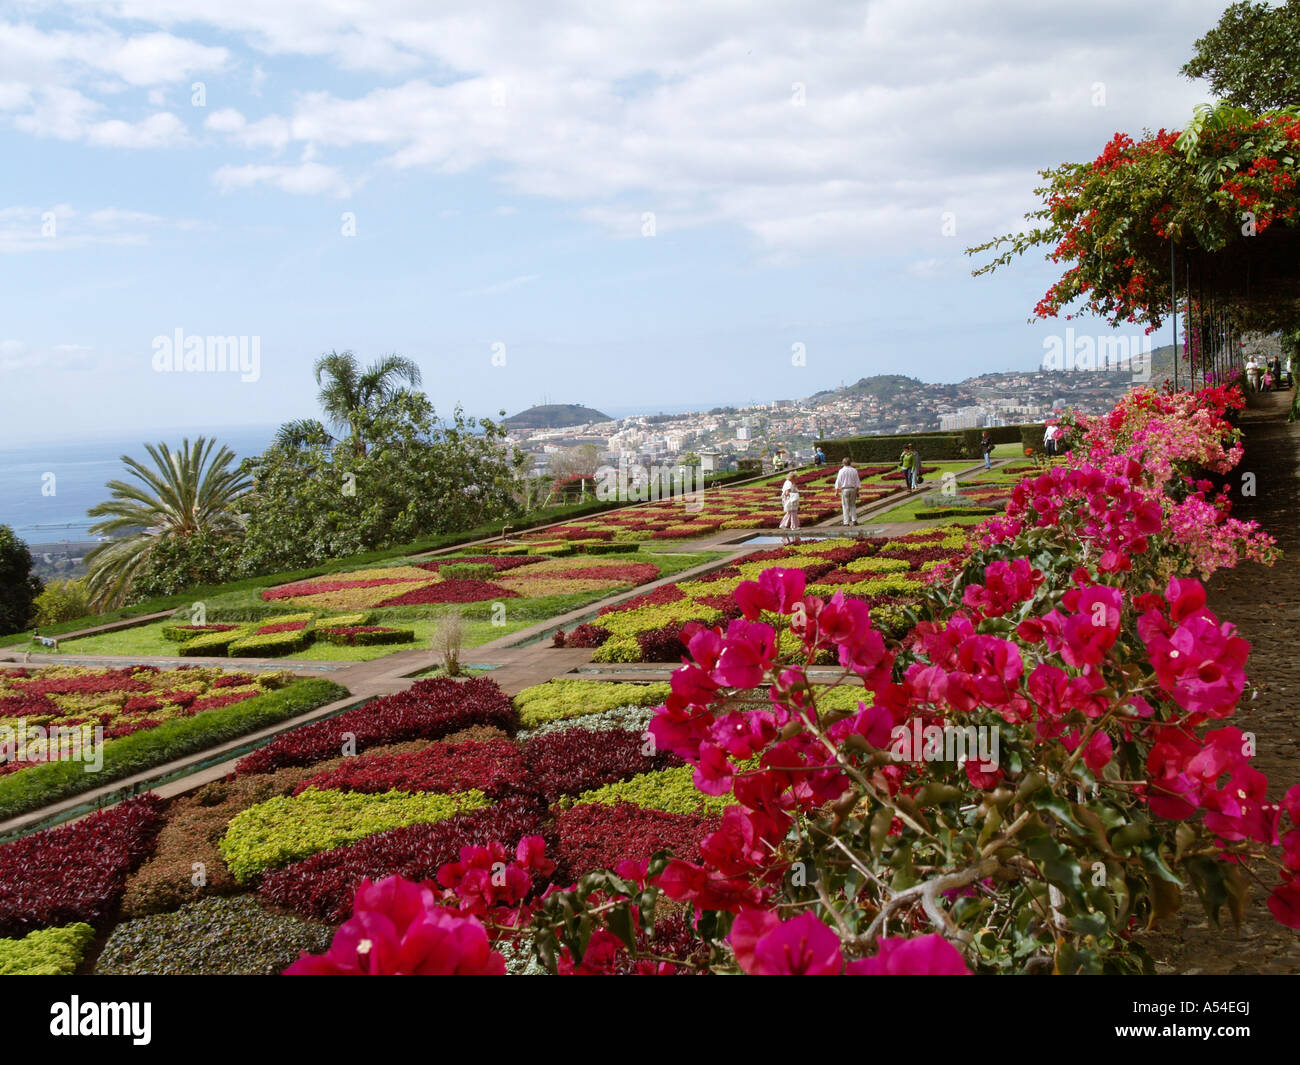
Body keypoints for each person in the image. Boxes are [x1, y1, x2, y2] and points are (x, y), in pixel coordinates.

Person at [834, 457, 861, 526]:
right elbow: (857, 482)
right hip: (853, 489)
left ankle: (846, 522)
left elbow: (838, 481)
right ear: (850, 463)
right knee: (852, 505)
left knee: (845, 506)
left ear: (843, 463)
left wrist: (836, 491)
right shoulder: (854, 470)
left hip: (845, 489)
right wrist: (857, 491)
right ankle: (854, 520)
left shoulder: (841, 471)